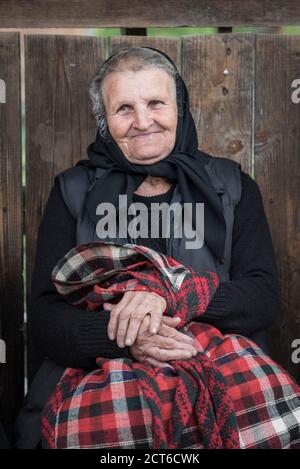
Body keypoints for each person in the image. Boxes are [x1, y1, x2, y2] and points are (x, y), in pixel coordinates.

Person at [17, 47, 298, 449]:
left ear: (179, 107)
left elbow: (262, 297)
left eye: (155, 103)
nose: (142, 121)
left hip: (217, 369)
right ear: (104, 121)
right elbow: (45, 318)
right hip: (96, 376)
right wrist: (128, 338)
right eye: (124, 109)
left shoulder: (232, 187)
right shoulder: (74, 191)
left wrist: (171, 294)